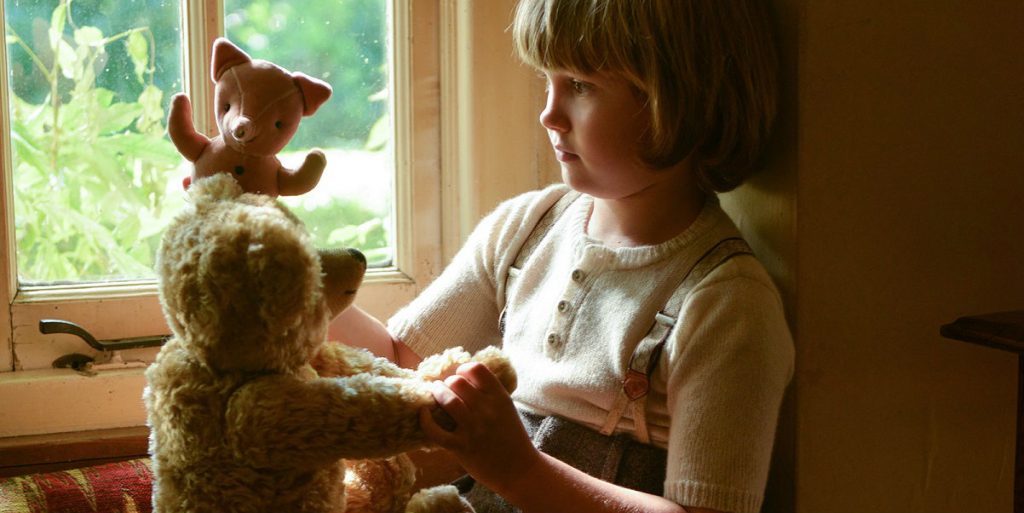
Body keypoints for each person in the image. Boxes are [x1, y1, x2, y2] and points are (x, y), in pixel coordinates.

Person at [329, 0, 793, 511]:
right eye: (547, 79)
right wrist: (303, 291)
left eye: (580, 85)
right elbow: (398, 362)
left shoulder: (726, 305)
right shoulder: (527, 229)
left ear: (680, 98)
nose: (548, 114)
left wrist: (521, 470)